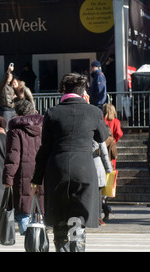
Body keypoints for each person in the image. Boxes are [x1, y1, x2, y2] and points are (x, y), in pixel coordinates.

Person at [31, 73, 109, 252]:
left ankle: (62, 247)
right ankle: (76, 247)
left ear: (63, 90)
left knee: (59, 214)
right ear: (84, 92)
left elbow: (45, 148)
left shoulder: (52, 112)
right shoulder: (93, 111)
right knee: (78, 215)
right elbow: (102, 136)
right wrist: (89, 107)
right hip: (83, 169)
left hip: (57, 169)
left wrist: (36, 179)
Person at [3, 99, 44, 235]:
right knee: (38, 208)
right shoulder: (44, 127)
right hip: (42, 172)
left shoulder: (15, 130)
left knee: (24, 210)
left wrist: (8, 179)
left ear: (17, 112)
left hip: (23, 174)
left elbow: (13, 156)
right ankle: (38, 240)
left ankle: (29, 240)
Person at [92, 139, 113, 226]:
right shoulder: (98, 136)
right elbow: (104, 154)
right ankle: (98, 217)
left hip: (83, 164)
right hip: (96, 164)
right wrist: (109, 169)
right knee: (98, 195)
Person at [0, 64, 16, 129]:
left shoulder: (11, 87)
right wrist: (8, 71)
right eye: (9, 76)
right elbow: (5, 79)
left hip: (13, 109)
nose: (10, 77)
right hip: (6, 109)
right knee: (6, 128)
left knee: (13, 128)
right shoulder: (2, 85)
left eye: (11, 76)